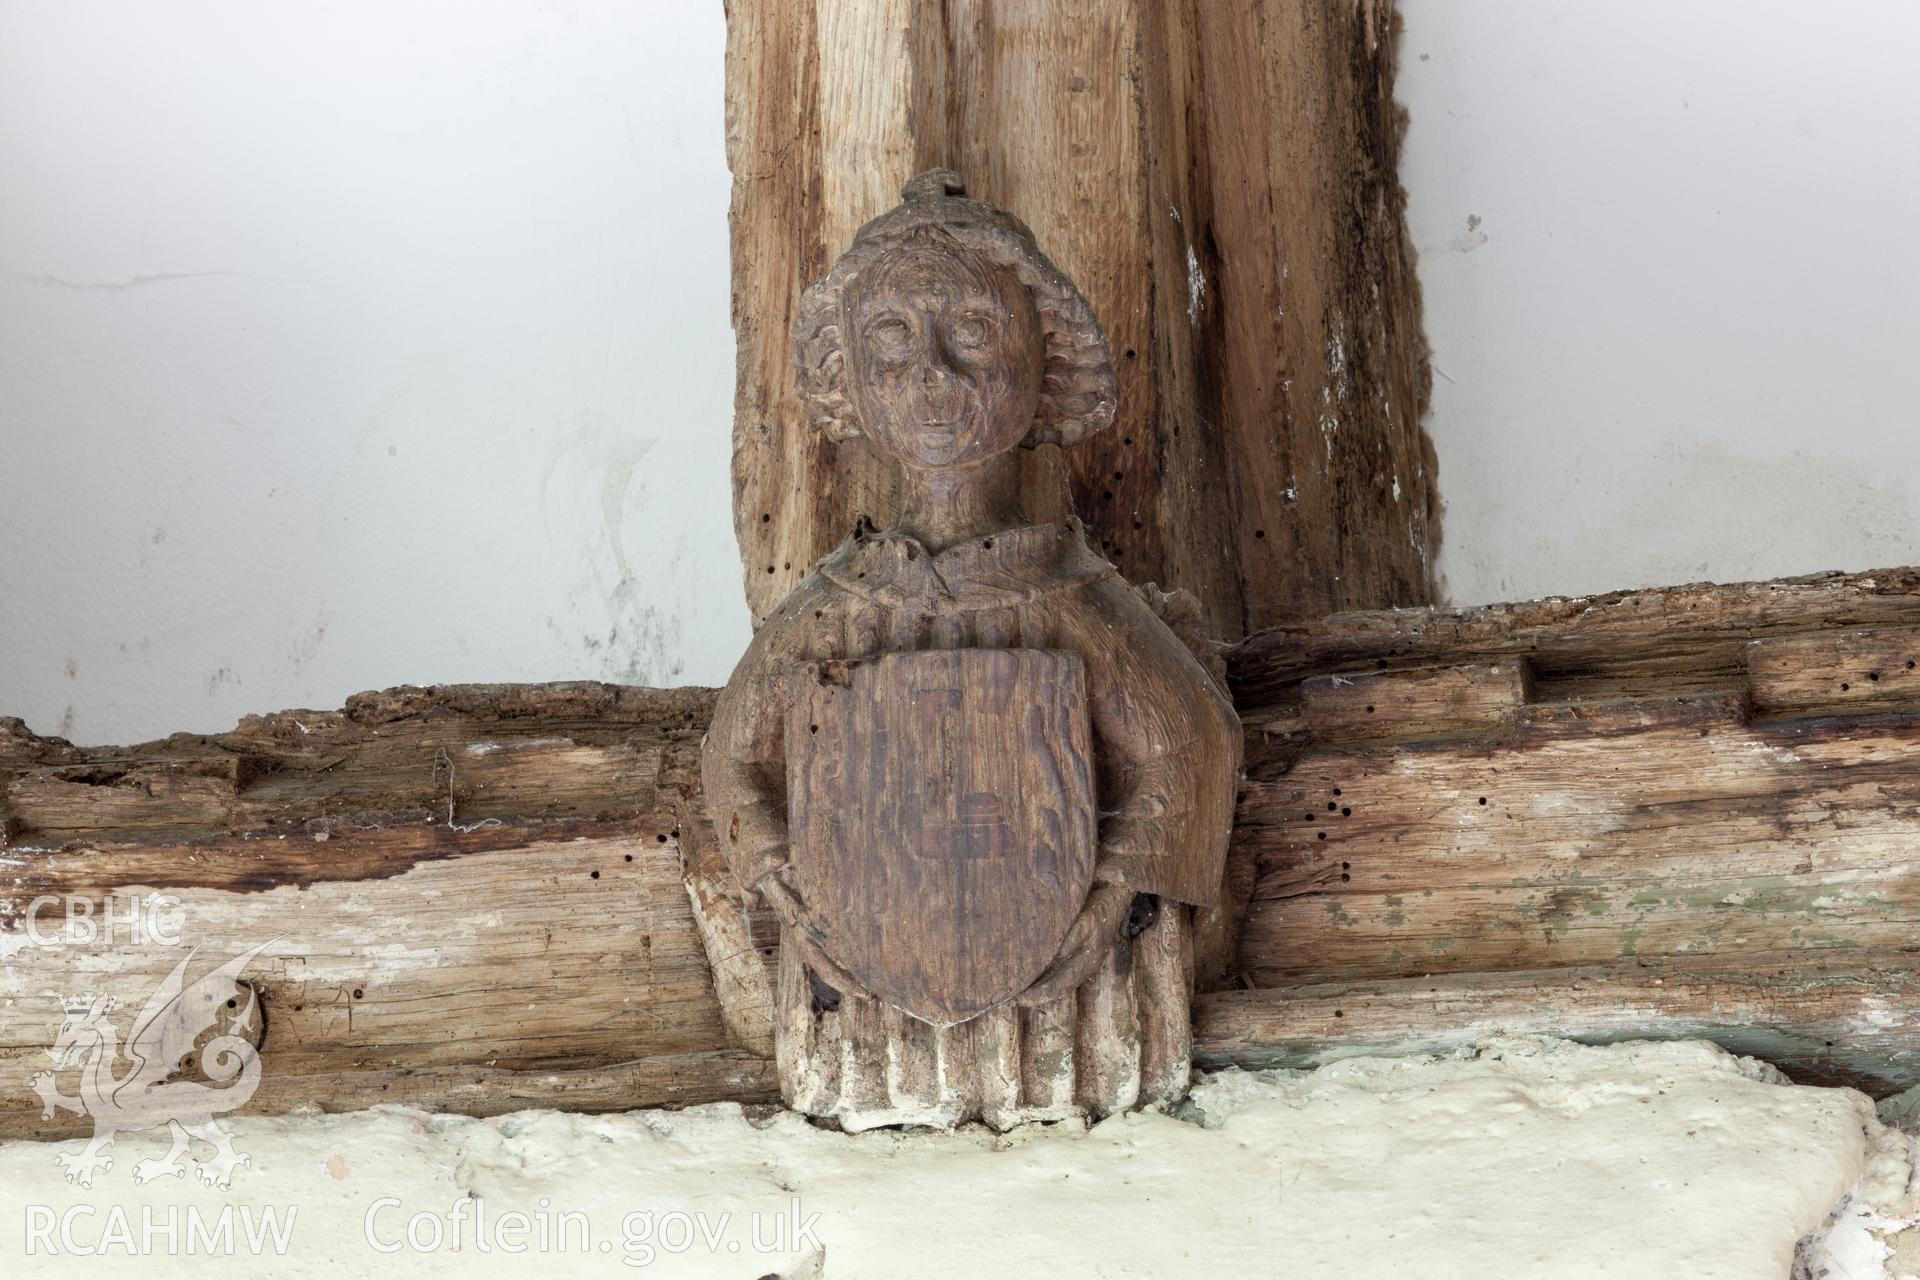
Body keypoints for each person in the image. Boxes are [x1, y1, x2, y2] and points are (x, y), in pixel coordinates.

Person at [704, 170, 1238, 1130]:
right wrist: (786, 881)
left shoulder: (1075, 600)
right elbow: (736, 754)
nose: (932, 375)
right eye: (891, 339)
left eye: (974, 333)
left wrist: (1116, 883)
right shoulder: (832, 612)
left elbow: (1188, 742)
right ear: (849, 383)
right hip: (859, 1011)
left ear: (1043, 365)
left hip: (1069, 1016)